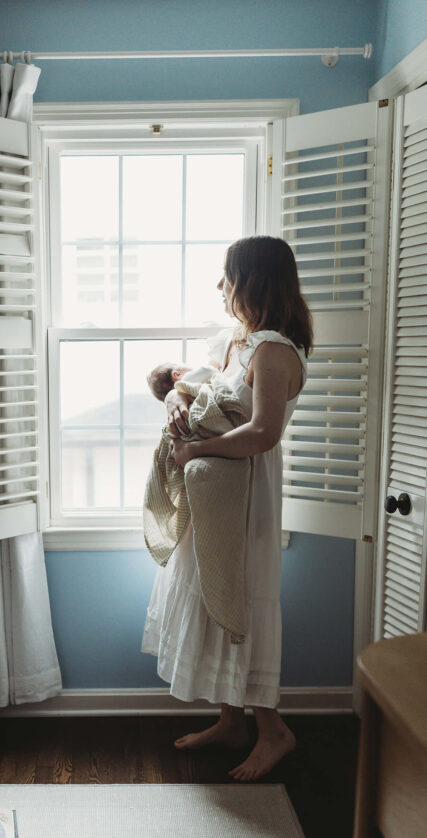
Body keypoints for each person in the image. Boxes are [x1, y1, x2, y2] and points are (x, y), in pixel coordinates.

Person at [142, 235, 313, 781]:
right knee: (214, 593)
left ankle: (273, 731)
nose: (220, 287)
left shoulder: (275, 351)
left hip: (245, 497)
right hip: (213, 492)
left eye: (227, 276)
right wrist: (174, 403)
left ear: (253, 281)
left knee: (241, 602)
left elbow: (262, 433)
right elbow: (191, 385)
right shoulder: (235, 341)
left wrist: (197, 449)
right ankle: (230, 721)